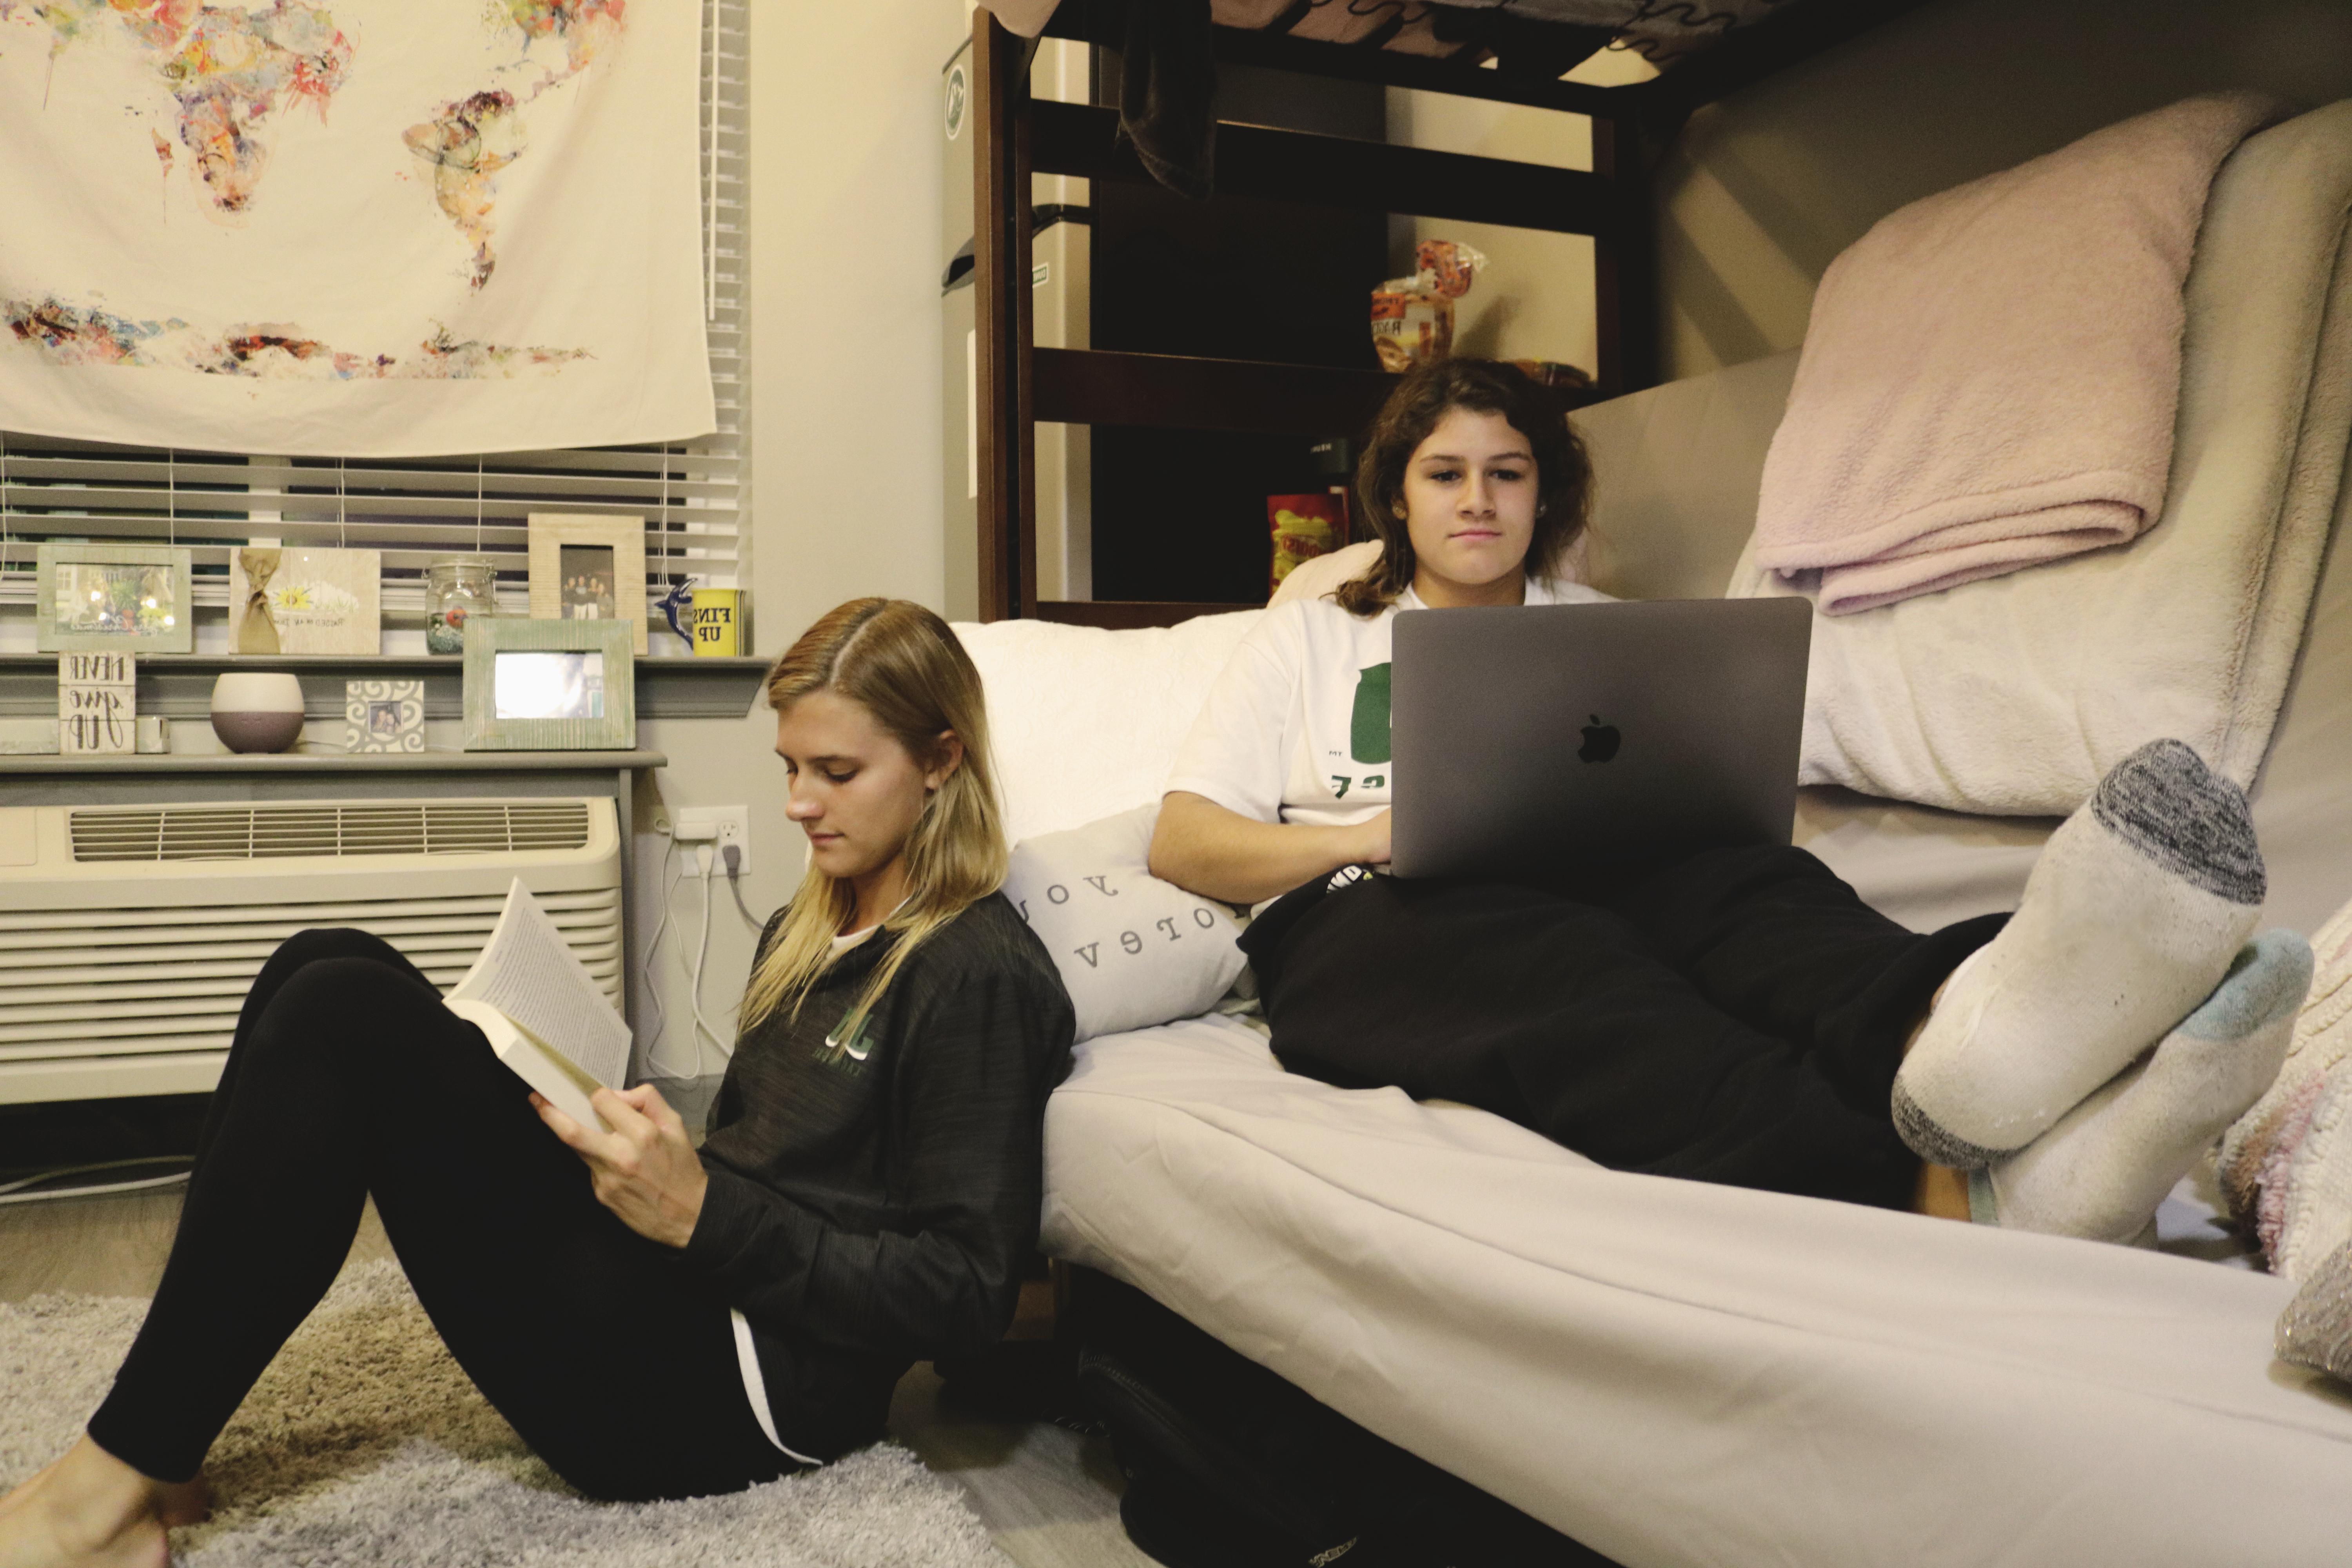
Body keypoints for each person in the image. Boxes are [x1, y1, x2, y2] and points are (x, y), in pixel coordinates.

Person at [0, 597, 1075, 1568]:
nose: (799, 803)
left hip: (742, 1402)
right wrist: (652, 1161)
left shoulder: (975, 971)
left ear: (941, 761)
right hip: (696, 1286)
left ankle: (100, 1507)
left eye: (836, 774)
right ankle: (162, 1455)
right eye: (790, 766)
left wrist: (704, 1214)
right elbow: (782, 1167)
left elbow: (969, 1295)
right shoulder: (816, 920)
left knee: (343, 1018)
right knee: (326, 959)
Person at [1150, 356, 2309, 1234]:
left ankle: (1967, 1031)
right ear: (1394, 500)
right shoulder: (1307, 639)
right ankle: (1945, 1187)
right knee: (1583, 984)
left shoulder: (1610, 637)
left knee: (1751, 885)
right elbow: (1186, 842)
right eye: (1444, 474)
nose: (1478, 501)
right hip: (1369, 912)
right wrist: (1368, 835)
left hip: (1603, 868)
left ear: (1542, 493)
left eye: (1508, 474)